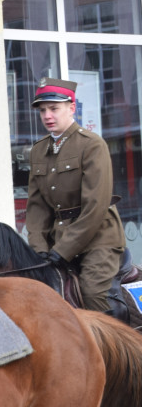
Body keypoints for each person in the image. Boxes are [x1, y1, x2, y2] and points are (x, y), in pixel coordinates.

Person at [25, 77, 128, 316]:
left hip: (99, 238)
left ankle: (115, 349)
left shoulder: (92, 145)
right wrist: (38, 248)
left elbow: (96, 206)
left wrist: (63, 250)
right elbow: (36, 208)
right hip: (57, 241)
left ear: (71, 108)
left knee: (93, 293)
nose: (47, 116)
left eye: (54, 108)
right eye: (42, 111)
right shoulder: (39, 150)